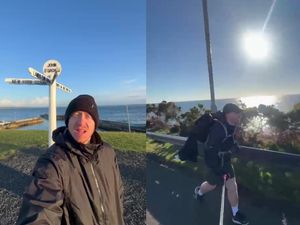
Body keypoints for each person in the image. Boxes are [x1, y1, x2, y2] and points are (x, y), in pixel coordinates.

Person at [16, 95, 124, 225]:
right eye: (76, 114)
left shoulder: (108, 152)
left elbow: (118, 194)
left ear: (95, 123)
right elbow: (40, 212)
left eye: (88, 116)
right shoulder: (53, 162)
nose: (81, 122)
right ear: (67, 120)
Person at [194, 103, 249, 225]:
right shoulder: (218, 129)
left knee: (232, 186)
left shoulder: (233, 125)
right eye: (237, 113)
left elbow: (229, 139)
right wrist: (217, 169)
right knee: (212, 185)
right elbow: (209, 150)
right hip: (214, 162)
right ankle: (199, 192)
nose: (239, 115)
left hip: (225, 161)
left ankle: (235, 214)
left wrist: (234, 146)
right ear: (229, 114)